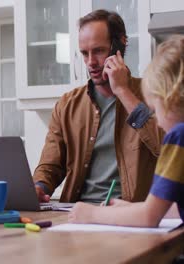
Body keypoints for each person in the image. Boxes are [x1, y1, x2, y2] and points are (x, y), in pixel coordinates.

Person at [33, 9, 163, 203]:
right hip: (78, 213)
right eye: (85, 54)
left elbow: (168, 146)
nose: (91, 62)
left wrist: (122, 91)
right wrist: (38, 188)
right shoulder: (67, 105)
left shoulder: (155, 93)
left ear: (121, 43)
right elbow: (50, 166)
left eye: (99, 51)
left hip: (130, 216)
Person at [69, 35, 184, 226]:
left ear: (170, 98)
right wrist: (130, 209)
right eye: (84, 53)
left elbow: (149, 217)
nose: (156, 119)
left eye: (155, 110)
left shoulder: (178, 135)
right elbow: (175, 208)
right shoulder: (69, 104)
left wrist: (91, 214)